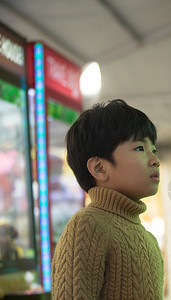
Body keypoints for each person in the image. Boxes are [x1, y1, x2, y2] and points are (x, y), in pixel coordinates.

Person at [51, 99, 164, 299]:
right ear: (99, 168)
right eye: (140, 148)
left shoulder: (150, 240)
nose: (155, 160)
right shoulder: (87, 226)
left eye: (153, 149)